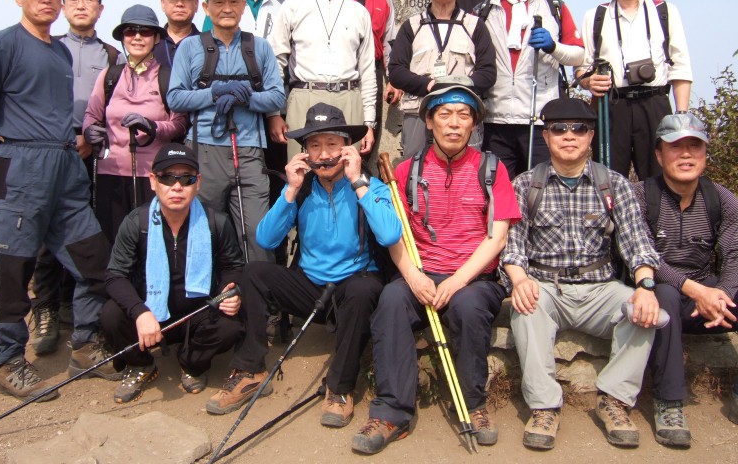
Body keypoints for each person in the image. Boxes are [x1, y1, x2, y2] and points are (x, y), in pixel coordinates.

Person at [0, 0, 116, 401]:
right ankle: (10, 361)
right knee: (13, 267)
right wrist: (0, 152)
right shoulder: (2, 45)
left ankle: (85, 346)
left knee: (94, 262)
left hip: (65, 166)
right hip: (22, 165)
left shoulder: (60, 52)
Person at [205, 103, 402, 427]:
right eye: (315, 146)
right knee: (254, 272)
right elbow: (265, 239)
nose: (324, 155)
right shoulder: (303, 187)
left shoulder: (369, 184)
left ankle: (340, 388)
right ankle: (250, 370)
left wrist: (357, 182)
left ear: (347, 149)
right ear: (305, 153)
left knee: (365, 288)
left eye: (332, 145)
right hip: (310, 289)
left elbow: (391, 234)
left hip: (353, 288)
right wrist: (291, 188)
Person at [352, 77, 521, 454]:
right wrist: (412, 276)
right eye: (444, 114)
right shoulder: (405, 171)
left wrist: (457, 281)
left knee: (469, 306)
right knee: (391, 301)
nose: (454, 123)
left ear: (474, 124)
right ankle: (392, 411)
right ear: (428, 121)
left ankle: (474, 405)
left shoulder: (492, 169)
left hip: (473, 277)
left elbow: (497, 239)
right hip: (420, 271)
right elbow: (395, 235)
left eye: (463, 115)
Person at [501, 97, 662, 450]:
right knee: (526, 307)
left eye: (579, 128)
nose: (569, 135)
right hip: (546, 285)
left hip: (600, 288)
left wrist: (646, 286)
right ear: (546, 136)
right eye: (559, 129)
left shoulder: (614, 184)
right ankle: (545, 407)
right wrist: (519, 279)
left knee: (644, 311)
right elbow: (512, 246)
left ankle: (614, 400)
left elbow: (637, 243)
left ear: (591, 136)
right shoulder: (525, 184)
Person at [99, 143, 244, 403]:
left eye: (186, 178)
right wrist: (140, 312)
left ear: (198, 183)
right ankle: (140, 364)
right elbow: (114, 275)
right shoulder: (137, 222)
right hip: (150, 312)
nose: (177, 186)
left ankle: (191, 363)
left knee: (230, 325)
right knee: (111, 315)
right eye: (167, 177)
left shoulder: (216, 222)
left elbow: (233, 266)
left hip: (198, 312)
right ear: (153, 181)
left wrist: (230, 291)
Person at [30, 0, 126, 356]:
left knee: (88, 230)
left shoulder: (113, 55)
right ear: (62, 5)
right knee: (46, 232)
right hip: (50, 150)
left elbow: (119, 105)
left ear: (101, 9)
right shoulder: (47, 47)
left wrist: (91, 136)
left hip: (94, 151)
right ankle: (47, 308)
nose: (81, 5)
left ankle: (83, 305)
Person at [634, 113, 738, 446]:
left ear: (706, 154)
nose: (686, 155)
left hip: (709, 297)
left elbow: (735, 254)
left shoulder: (721, 199)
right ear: (659, 154)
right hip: (662, 295)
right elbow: (646, 257)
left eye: (695, 146)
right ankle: (669, 402)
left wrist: (721, 294)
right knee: (663, 294)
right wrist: (698, 292)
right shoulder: (641, 196)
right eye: (676, 147)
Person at [167, 0, 285, 263]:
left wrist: (246, 97)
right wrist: (214, 93)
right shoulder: (190, 47)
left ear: (244, 5)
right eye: (218, 2)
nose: (227, 8)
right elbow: (175, 98)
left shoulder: (259, 47)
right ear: (206, 8)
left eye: (234, 1)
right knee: (205, 229)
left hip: (250, 152)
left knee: (258, 232)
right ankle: (210, 289)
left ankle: (257, 289)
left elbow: (277, 97)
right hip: (204, 150)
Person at [575, 0, 693, 180]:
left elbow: (680, 67)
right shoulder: (595, 16)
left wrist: (681, 116)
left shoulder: (664, 11)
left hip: (655, 103)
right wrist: (589, 82)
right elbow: (582, 69)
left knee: (661, 177)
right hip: (612, 105)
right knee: (607, 177)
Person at [478, 0, 585, 180]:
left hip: (540, 119)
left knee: (542, 188)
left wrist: (553, 47)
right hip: (496, 119)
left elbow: (578, 55)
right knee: (497, 190)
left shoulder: (554, 6)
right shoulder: (483, 11)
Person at [82, 5, 188, 243]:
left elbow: (180, 123)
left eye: (145, 31)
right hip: (110, 173)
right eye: (130, 31)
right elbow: (92, 114)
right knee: (112, 239)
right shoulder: (109, 75)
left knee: (151, 241)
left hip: (153, 176)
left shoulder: (167, 76)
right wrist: (90, 131)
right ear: (123, 37)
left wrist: (153, 127)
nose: (137, 37)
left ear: (157, 38)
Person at [269, 0, 377, 161]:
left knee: (347, 170)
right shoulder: (292, 6)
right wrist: (274, 113)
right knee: (303, 169)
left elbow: (367, 71)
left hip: (348, 97)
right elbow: (276, 62)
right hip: (304, 95)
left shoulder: (359, 12)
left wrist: (369, 122)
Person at [388, 0, 496, 159]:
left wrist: (456, 88)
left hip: (462, 114)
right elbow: (396, 71)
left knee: (466, 172)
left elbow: (488, 73)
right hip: (418, 114)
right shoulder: (412, 26)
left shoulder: (475, 26)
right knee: (415, 170)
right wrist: (428, 85)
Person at [343, 0, 399, 163]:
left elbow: (389, 39)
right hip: (340, 70)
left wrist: (393, 78)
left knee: (367, 140)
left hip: (372, 72)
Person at [154, 0, 200, 69]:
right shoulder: (150, 44)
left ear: (196, 4)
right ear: (163, 3)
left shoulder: (206, 45)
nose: (179, 4)